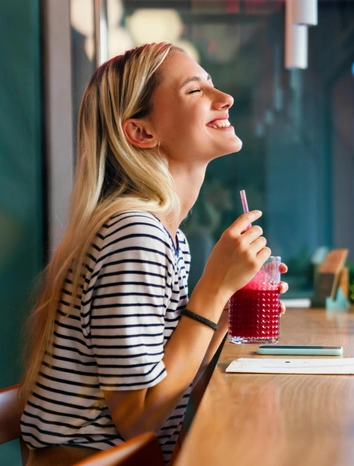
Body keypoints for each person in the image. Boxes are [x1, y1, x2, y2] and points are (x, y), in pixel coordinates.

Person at [19, 42, 288, 466]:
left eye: (212, 85)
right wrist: (213, 287)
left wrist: (226, 306)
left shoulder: (162, 234)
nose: (226, 98)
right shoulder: (134, 233)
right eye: (195, 91)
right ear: (141, 132)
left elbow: (169, 384)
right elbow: (139, 418)